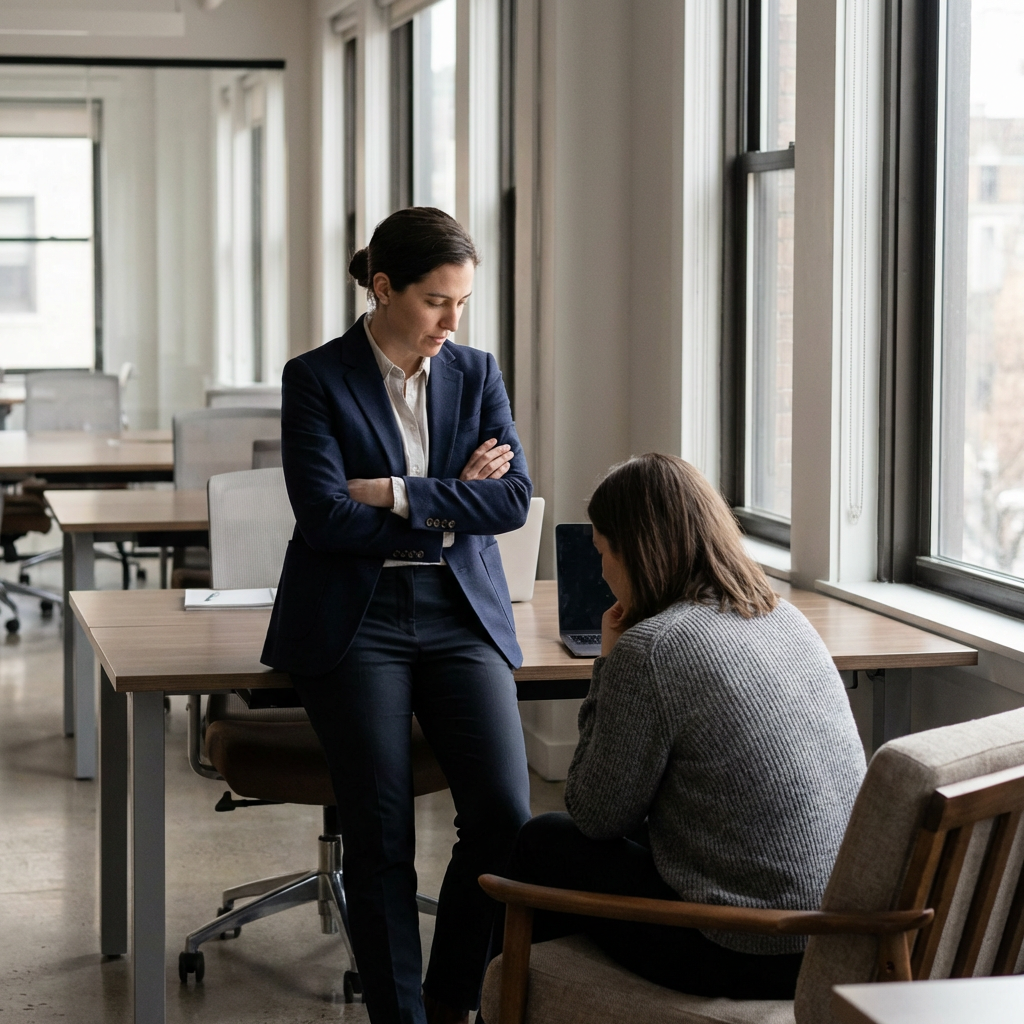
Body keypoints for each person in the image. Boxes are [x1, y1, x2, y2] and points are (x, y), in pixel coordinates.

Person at [262, 207, 533, 1024]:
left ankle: (450, 1003)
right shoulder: (315, 377)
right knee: (381, 838)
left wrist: (397, 491)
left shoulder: (476, 372)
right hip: (359, 617)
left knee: (502, 820)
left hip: (459, 612)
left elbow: (514, 500)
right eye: (436, 302)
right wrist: (456, 496)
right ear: (383, 289)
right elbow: (322, 519)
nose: (452, 323)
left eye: (462, 304)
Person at [495, 453, 866, 1000]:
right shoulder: (782, 613)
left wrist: (607, 664)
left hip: (747, 948)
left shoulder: (653, 649)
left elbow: (595, 814)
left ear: (635, 552)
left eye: (603, 552)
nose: (601, 572)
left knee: (544, 840)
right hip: (837, 938)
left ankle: (530, 1002)